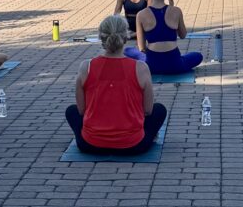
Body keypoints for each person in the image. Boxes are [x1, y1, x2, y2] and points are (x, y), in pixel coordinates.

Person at [66, 15, 167, 155]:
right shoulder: (140, 67)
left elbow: (81, 110)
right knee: (159, 110)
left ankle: (97, 134)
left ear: (101, 38)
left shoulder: (86, 67)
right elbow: (148, 110)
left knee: (71, 111)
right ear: (125, 38)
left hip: (90, 144)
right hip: (133, 145)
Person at [135, 0, 203, 76]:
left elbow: (141, 48)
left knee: (128, 51)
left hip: (152, 66)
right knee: (198, 56)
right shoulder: (176, 11)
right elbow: (183, 35)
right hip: (175, 64)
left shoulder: (141, 15)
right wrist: (172, 8)